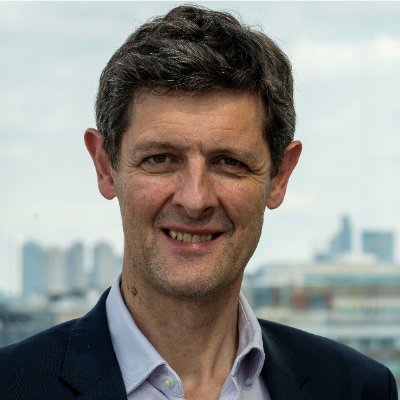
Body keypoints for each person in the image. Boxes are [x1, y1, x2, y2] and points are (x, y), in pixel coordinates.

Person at [0, 5, 397, 400]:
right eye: (160, 159)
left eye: (230, 163)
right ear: (106, 167)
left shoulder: (356, 389)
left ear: (279, 176)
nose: (195, 200)